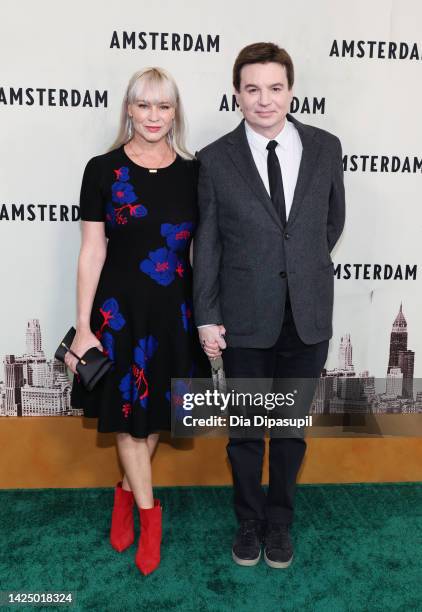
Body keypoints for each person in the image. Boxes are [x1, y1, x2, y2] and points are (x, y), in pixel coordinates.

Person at [193, 42, 345, 568]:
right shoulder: (214, 159)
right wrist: (207, 315)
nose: (264, 100)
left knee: (288, 432)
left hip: (306, 316)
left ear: (290, 91)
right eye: (252, 89)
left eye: (274, 88)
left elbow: (330, 224)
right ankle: (248, 521)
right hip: (243, 320)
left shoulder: (326, 147)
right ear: (237, 94)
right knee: (244, 435)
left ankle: (279, 523)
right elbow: (207, 244)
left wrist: (297, 267)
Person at [68, 67, 204, 575]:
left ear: (175, 113)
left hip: (175, 312)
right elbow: (90, 252)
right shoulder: (101, 170)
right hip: (118, 313)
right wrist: (84, 327)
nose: (153, 116)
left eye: (163, 106)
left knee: (154, 420)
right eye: (144, 105)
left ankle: (125, 493)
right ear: (128, 108)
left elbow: (200, 250)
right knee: (127, 416)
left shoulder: (195, 172)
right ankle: (150, 518)